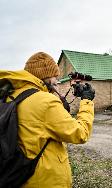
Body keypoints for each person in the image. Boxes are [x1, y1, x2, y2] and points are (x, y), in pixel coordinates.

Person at [0, 52, 95, 187]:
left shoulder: (13, 95)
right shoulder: (45, 101)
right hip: (46, 180)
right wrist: (87, 101)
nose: (57, 80)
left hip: (19, 177)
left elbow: (46, 117)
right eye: (55, 76)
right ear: (45, 76)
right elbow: (80, 133)